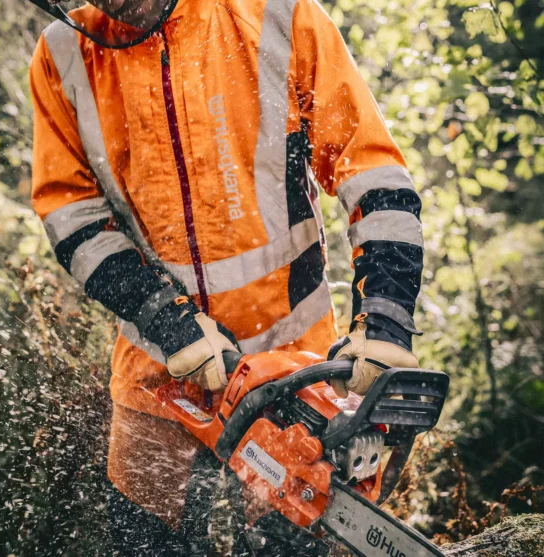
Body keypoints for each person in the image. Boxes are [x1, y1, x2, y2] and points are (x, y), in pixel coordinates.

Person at [28, 0, 424, 553]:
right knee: (143, 542)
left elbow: (374, 174)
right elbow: (72, 215)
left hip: (292, 366)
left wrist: (384, 318)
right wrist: (165, 320)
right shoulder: (65, 53)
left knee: (295, 539)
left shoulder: (274, 14)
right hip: (158, 374)